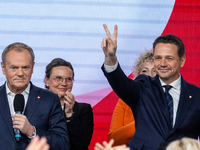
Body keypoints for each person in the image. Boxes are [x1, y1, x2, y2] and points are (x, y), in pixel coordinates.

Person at [101, 24, 200, 150]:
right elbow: (120, 83)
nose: (163, 64)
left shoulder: (197, 96)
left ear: (182, 60)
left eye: (169, 58)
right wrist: (111, 58)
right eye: (158, 58)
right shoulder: (143, 88)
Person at [0, 42, 69, 150]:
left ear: (32, 67)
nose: (20, 73)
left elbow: (62, 144)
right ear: (3, 68)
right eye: (14, 68)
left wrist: (32, 132)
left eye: (25, 67)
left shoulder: (50, 100)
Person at [108, 50, 156, 146]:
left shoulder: (171, 102)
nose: (149, 75)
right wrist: (143, 124)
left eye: (155, 71)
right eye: (144, 71)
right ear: (137, 76)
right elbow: (112, 140)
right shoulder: (124, 102)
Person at [44, 58, 94, 150]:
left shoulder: (84, 110)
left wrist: (69, 114)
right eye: (58, 78)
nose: (64, 83)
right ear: (47, 81)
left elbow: (81, 145)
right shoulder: (35, 108)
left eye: (68, 79)